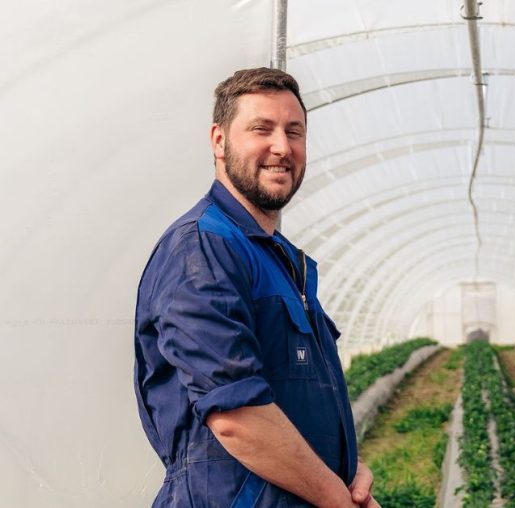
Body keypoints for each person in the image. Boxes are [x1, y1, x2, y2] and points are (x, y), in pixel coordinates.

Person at [133, 67, 379, 507]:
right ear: (219, 140)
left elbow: (296, 394)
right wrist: (337, 500)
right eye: (261, 129)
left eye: (295, 131)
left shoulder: (277, 258)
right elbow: (236, 416)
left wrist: (348, 465)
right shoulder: (204, 248)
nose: (282, 147)